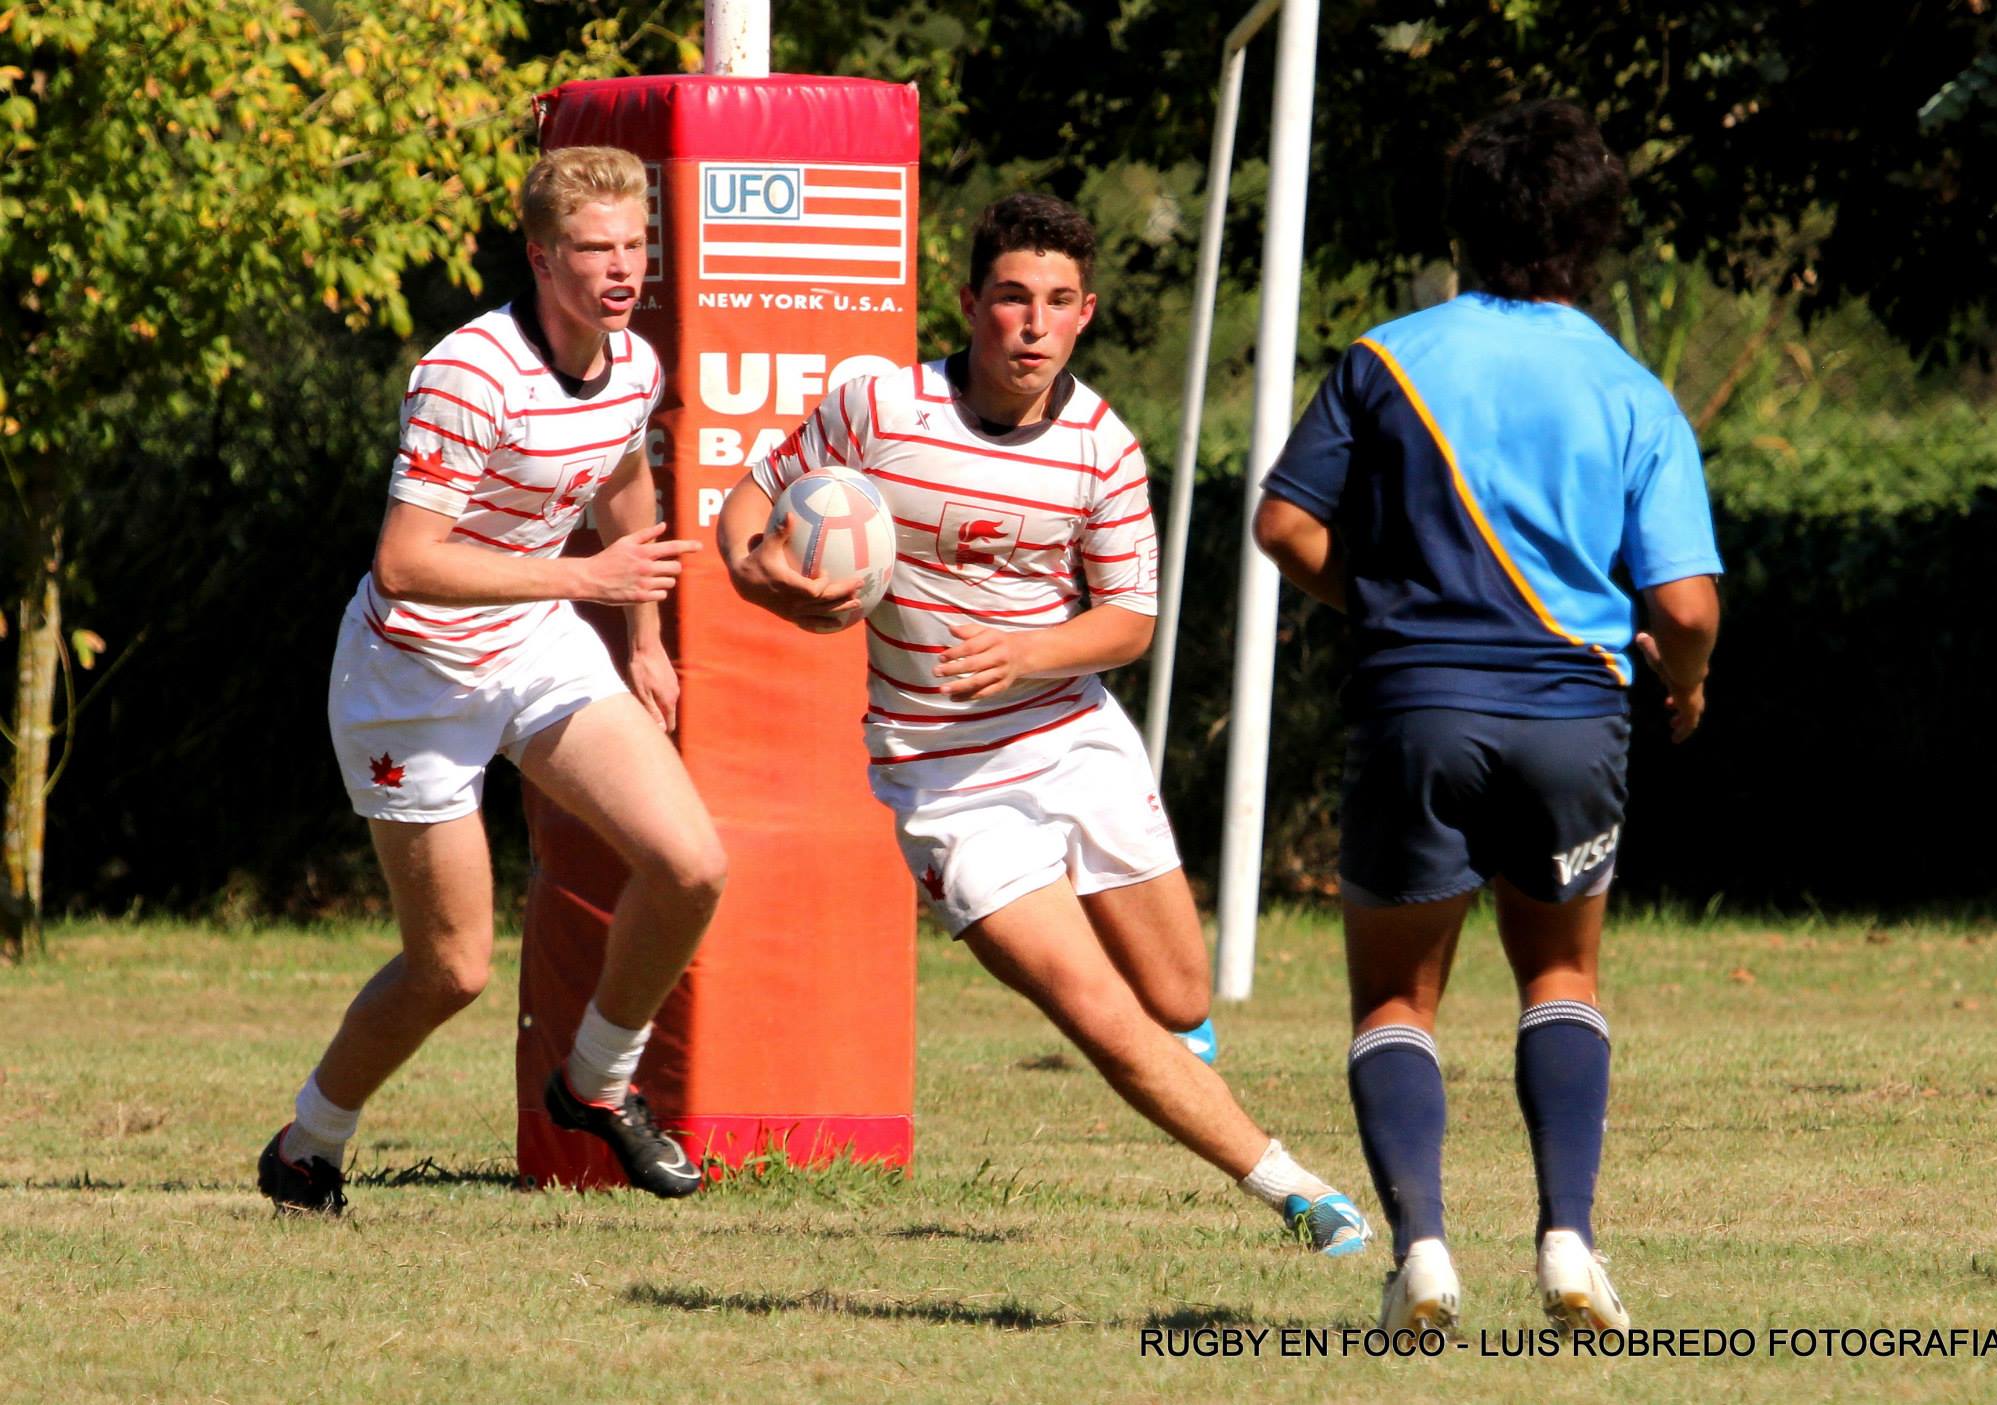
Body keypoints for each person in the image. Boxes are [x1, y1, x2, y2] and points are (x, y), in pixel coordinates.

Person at [716, 193, 1367, 1256]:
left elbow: (1129, 621)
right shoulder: (875, 409)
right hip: (946, 785)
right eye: (1010, 297)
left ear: (1084, 314)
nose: (1030, 322)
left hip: (1073, 742)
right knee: (1097, 1010)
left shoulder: (1101, 449)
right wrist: (766, 580)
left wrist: (1029, 650)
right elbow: (744, 509)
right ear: (969, 302)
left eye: (1056, 302)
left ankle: (1180, 1055)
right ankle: (1295, 1190)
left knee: (1173, 992)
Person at [1254, 100, 1722, 1331]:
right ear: (1594, 235)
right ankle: (1567, 1244)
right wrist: (1680, 682)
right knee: (1560, 972)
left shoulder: (1384, 357)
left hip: (1412, 711)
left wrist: (1393, 608)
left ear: (1462, 224)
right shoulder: (1630, 390)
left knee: (1393, 1003)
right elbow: (1680, 601)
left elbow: (1282, 525)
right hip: (1572, 719)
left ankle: (1421, 1254)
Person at [258, 146, 727, 1214]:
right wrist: (585, 578)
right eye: (594, 248)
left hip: (533, 644)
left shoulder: (633, 362)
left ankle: (596, 1084)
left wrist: (642, 637)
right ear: (541, 255)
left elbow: (621, 480)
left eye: (634, 245)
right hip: (410, 680)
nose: (621, 269)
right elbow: (405, 560)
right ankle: (308, 1141)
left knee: (691, 866)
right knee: (451, 970)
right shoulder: (468, 372)